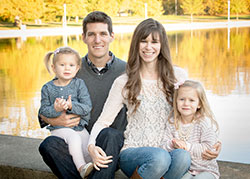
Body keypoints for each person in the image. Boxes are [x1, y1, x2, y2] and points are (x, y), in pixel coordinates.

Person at [88, 18, 191, 179]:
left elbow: (196, 112)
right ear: (136, 44)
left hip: (167, 149)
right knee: (159, 158)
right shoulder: (124, 82)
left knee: (183, 157)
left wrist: (209, 143)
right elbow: (103, 121)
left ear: (162, 45)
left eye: (154, 42)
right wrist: (91, 145)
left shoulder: (178, 76)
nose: (148, 47)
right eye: (143, 41)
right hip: (133, 153)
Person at [38, 11, 127, 179]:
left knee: (111, 134)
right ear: (84, 37)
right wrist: (52, 120)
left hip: (110, 146)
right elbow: (45, 108)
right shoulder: (71, 69)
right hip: (79, 142)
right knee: (49, 145)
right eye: (91, 34)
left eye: (102, 34)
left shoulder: (127, 71)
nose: (97, 40)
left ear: (112, 36)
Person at [38, 46, 94, 178]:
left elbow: (87, 107)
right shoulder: (47, 88)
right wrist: (55, 109)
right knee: (73, 138)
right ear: (54, 68)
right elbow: (43, 111)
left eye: (71, 65)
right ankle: (81, 167)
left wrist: (71, 106)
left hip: (79, 127)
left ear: (77, 68)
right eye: (62, 65)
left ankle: (89, 169)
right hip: (59, 129)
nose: (67, 68)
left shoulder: (79, 84)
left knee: (88, 146)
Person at [161, 80, 220, 179]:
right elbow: (163, 145)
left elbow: (210, 148)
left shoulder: (204, 123)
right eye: (182, 99)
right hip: (185, 169)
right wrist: (172, 144)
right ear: (176, 101)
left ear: (199, 104)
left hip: (206, 169)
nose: (186, 103)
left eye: (191, 100)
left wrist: (187, 146)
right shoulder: (172, 122)